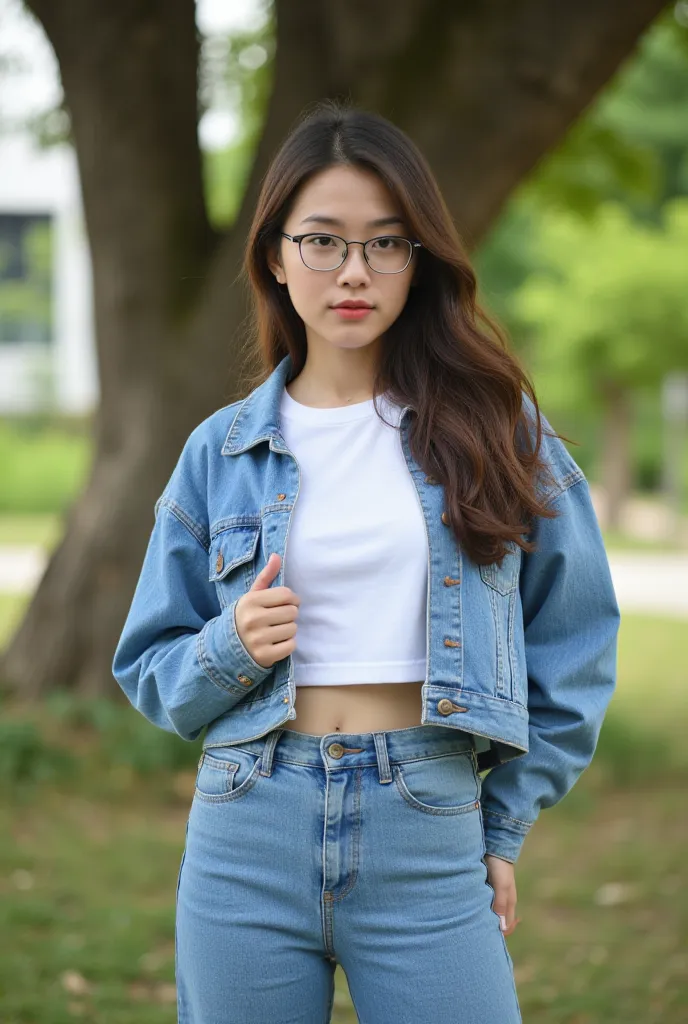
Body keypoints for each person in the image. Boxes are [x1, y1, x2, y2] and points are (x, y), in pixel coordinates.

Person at [112, 99, 620, 1023]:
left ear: (420, 259)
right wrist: (231, 645)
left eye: (387, 244)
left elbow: (576, 641)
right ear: (275, 255)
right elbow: (151, 670)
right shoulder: (217, 453)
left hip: (426, 821)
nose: (355, 271)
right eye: (324, 241)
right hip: (247, 823)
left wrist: (503, 825)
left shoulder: (499, 432)